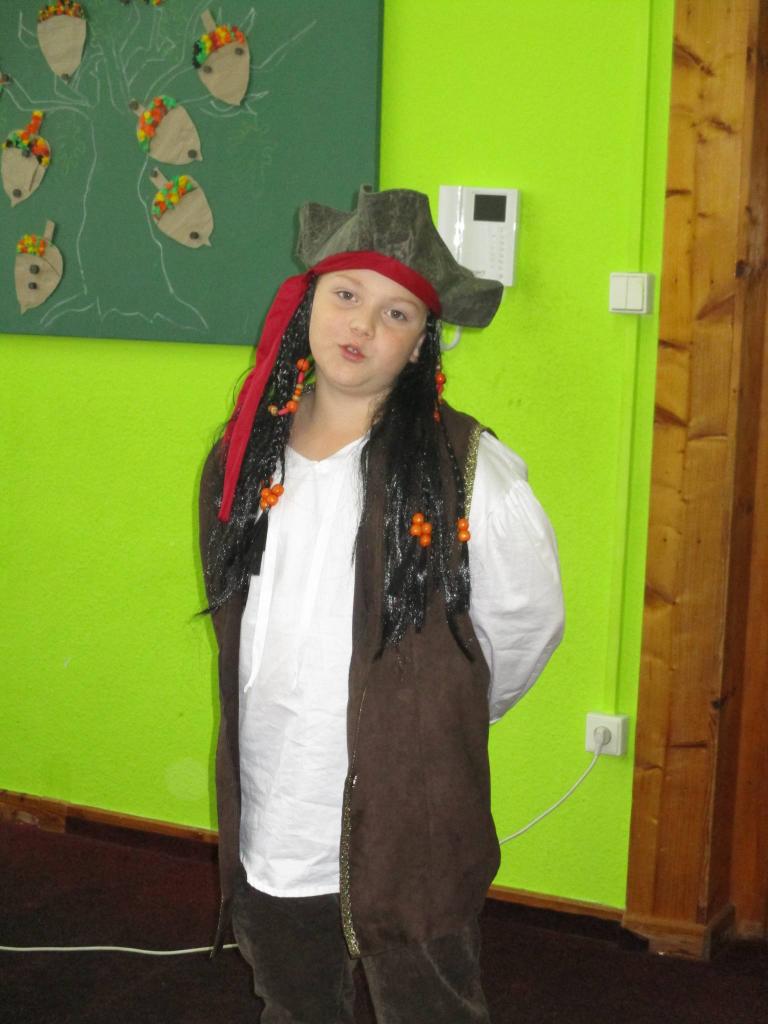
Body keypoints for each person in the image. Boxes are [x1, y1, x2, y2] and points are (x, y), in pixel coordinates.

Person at [199, 185, 564, 1023]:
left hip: (412, 809)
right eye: (347, 295)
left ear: (421, 342)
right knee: (293, 996)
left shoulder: (468, 471)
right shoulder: (244, 455)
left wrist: (439, 716)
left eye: (395, 313)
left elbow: (525, 625)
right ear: (309, 303)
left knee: (427, 998)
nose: (361, 325)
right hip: (277, 791)